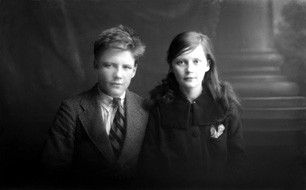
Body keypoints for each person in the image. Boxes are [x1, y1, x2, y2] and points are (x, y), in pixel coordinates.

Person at [40, 25, 149, 188]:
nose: (118, 75)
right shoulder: (72, 109)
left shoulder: (146, 109)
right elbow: (52, 172)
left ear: (134, 70)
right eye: (109, 65)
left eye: (126, 67)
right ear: (96, 65)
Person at [139, 31, 247, 188]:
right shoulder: (159, 108)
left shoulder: (224, 105)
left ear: (207, 65)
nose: (189, 69)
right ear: (171, 66)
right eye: (181, 62)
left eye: (196, 61)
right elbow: (150, 165)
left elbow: (237, 161)